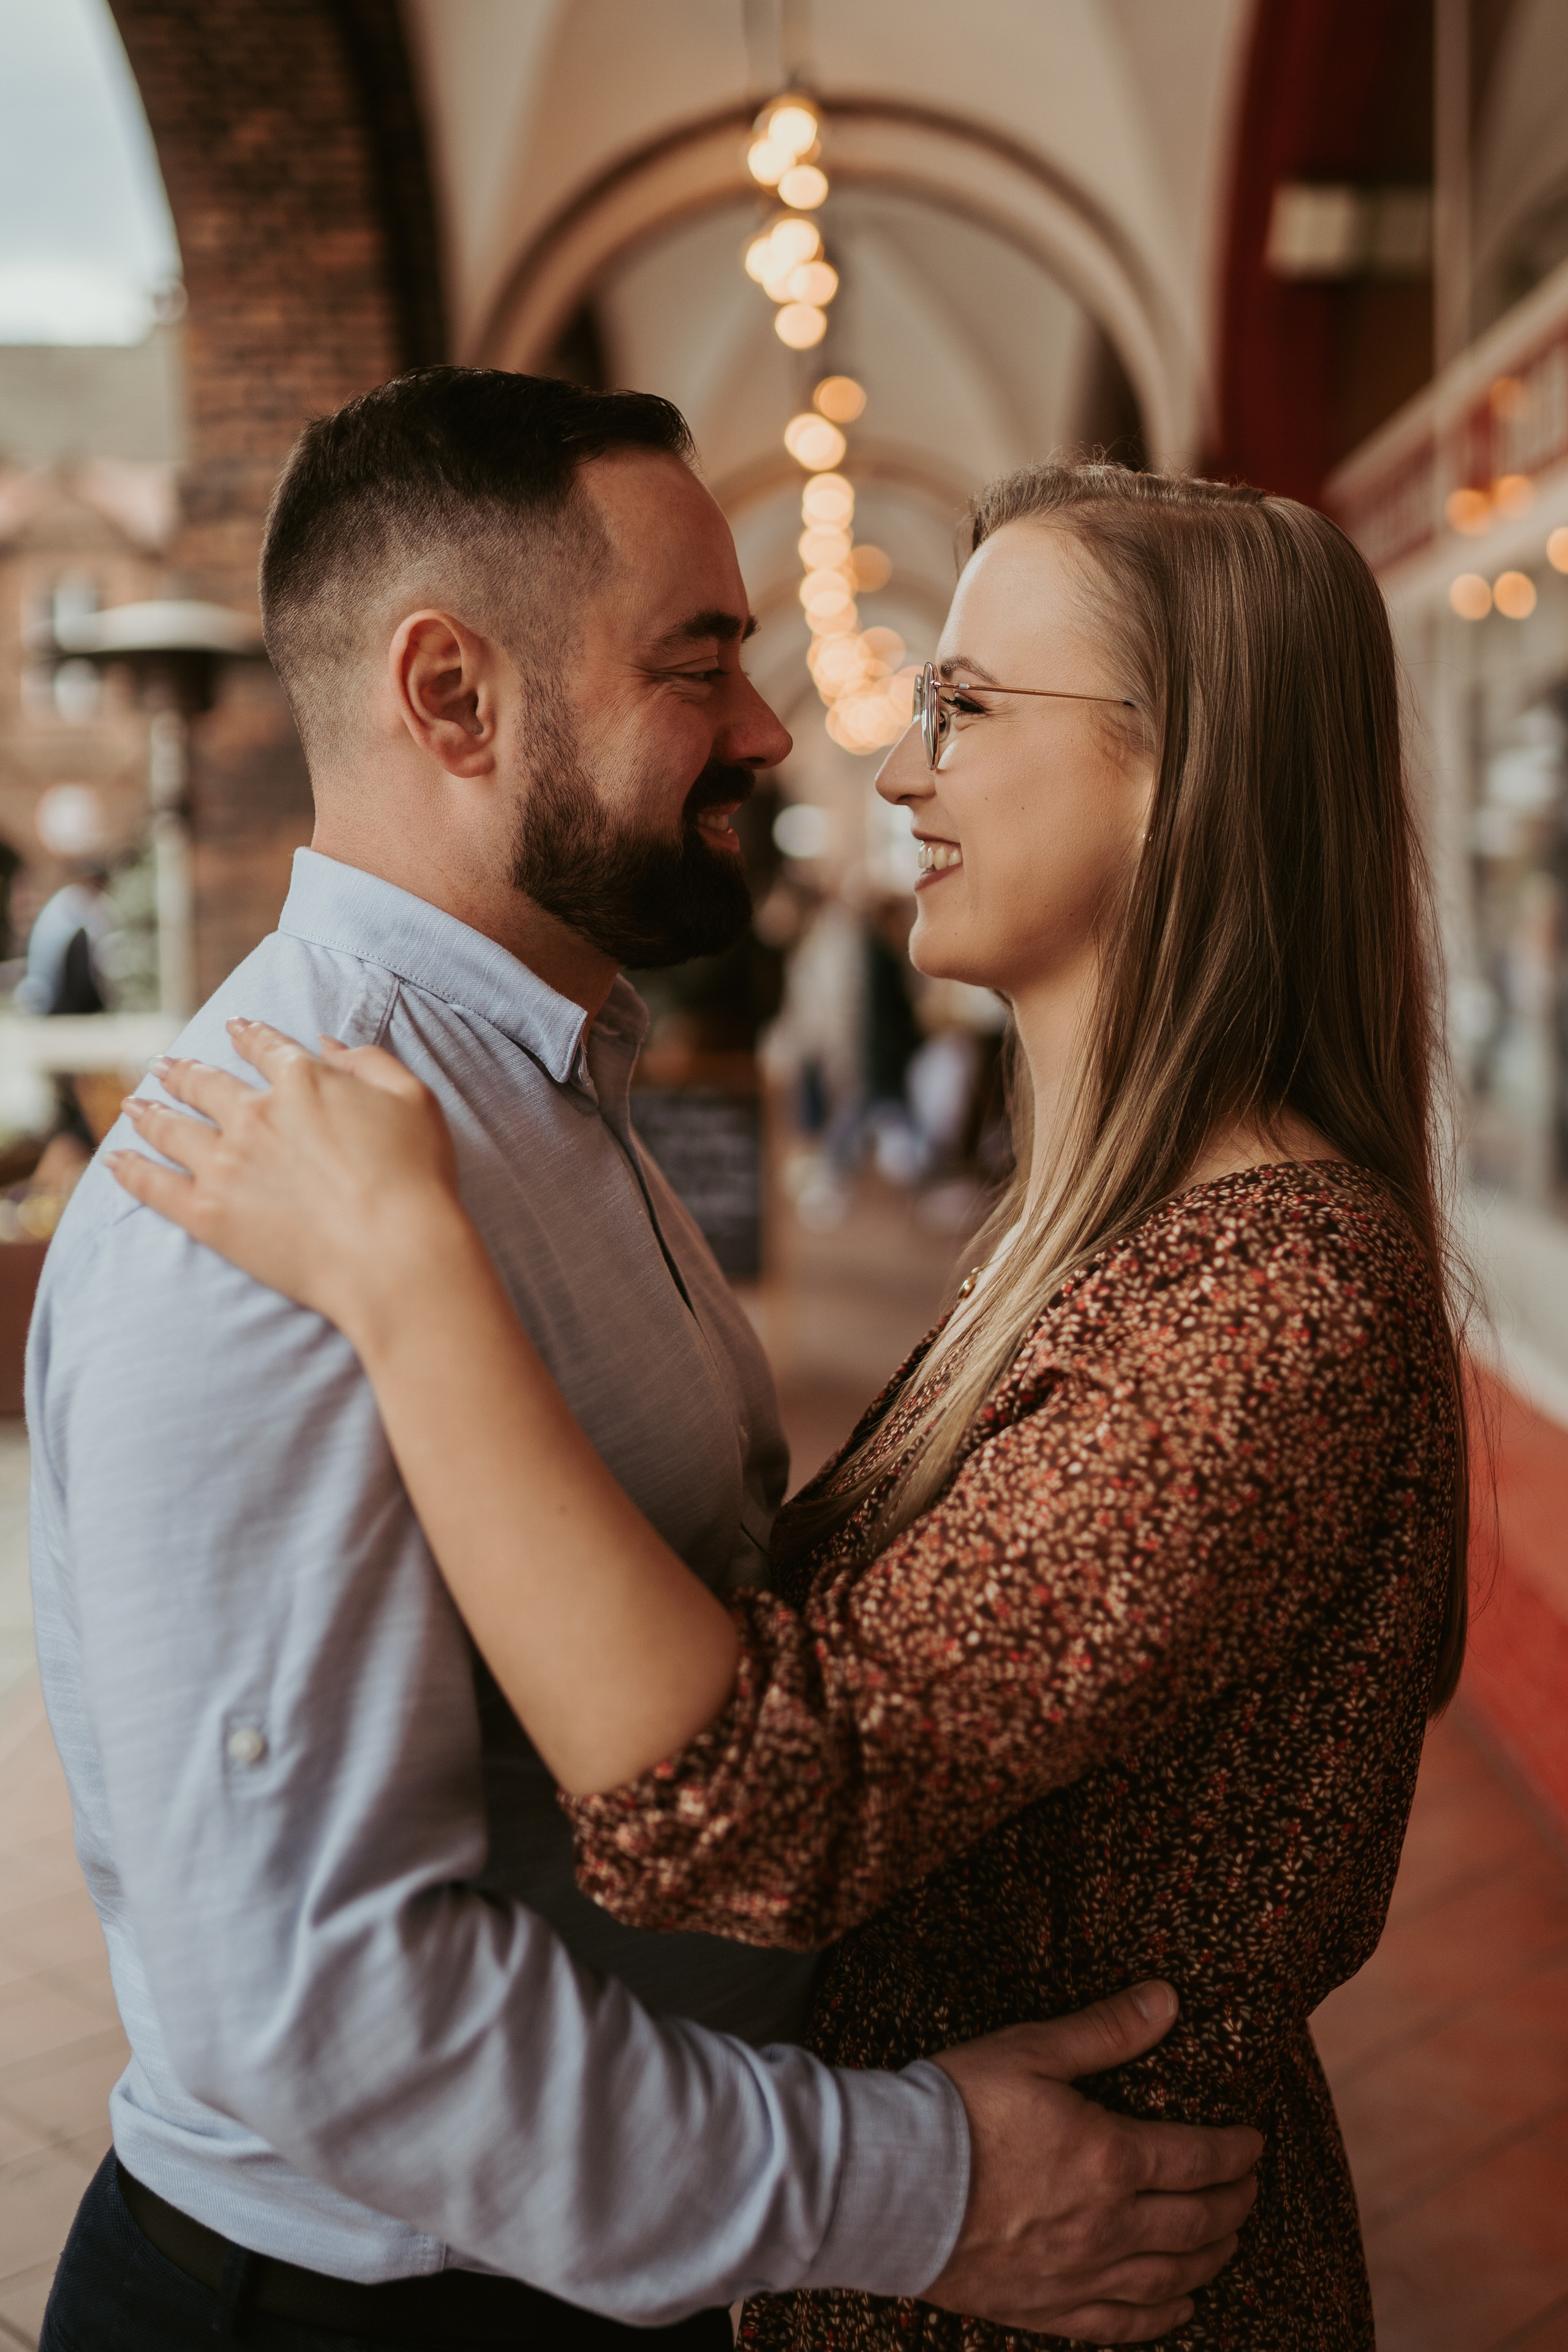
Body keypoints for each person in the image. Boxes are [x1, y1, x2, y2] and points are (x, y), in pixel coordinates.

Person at [113, 459, 1471, 2351]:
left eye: (967, 710)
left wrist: (413, 1282)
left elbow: (759, 1806)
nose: (890, 772)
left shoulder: (1265, 1295)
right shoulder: (1109, 1242)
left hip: (1091, 2278)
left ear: (1189, 766)